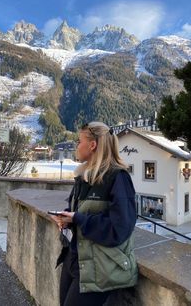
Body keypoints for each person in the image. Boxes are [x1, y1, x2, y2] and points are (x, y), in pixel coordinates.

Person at [51, 122, 138, 306]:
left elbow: (119, 229)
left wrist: (78, 219)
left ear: (92, 145)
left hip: (100, 268)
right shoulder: (84, 177)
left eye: (79, 141)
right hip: (76, 259)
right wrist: (67, 218)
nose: (76, 145)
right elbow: (81, 212)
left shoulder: (118, 177)